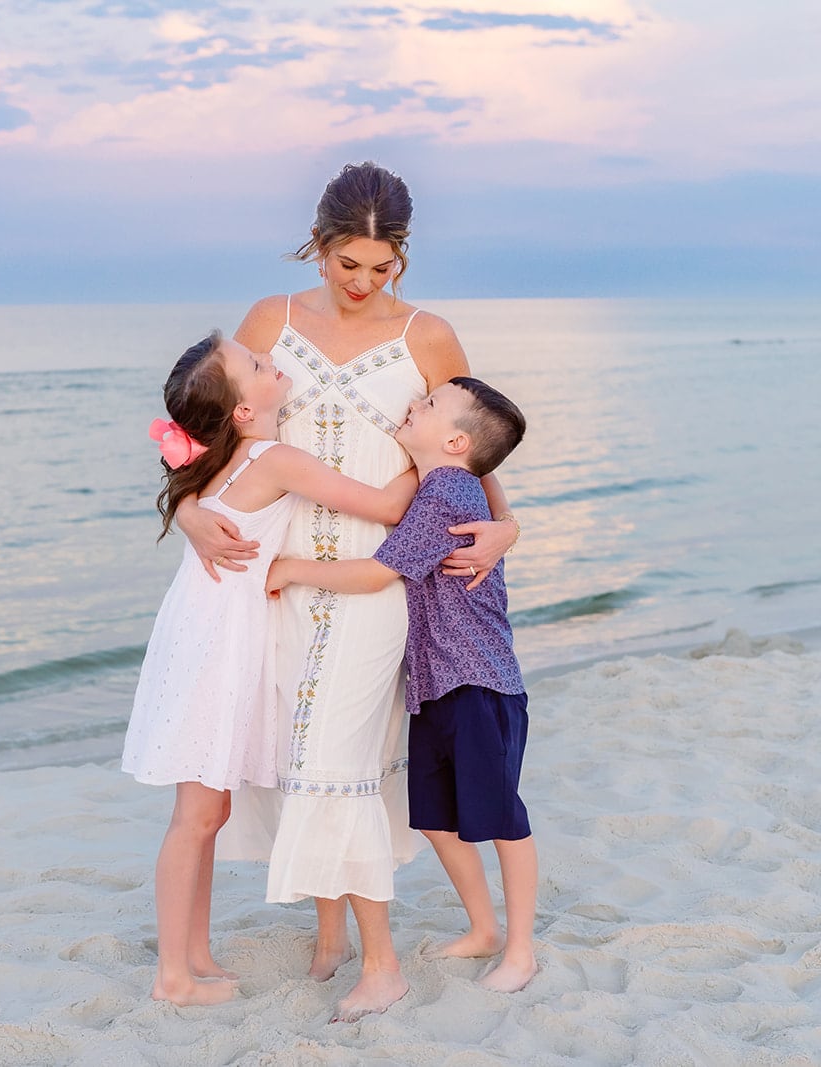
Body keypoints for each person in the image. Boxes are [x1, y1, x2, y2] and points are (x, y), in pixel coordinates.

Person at [177, 162, 520, 1021]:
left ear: (401, 254)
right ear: (320, 246)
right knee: (305, 758)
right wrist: (186, 511)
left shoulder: (429, 337)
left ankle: (382, 964)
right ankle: (331, 935)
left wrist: (508, 526)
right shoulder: (270, 321)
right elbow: (211, 437)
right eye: (349, 263)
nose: (366, 282)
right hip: (276, 578)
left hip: (377, 582)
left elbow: (473, 451)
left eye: (384, 264)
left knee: (340, 762)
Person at [120, 330, 417, 1007]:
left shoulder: (219, 462)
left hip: (207, 632)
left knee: (209, 810)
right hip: (216, 643)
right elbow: (385, 507)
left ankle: (194, 954)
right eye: (255, 365)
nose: (270, 361)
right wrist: (430, 462)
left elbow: (186, 489)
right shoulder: (274, 456)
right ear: (242, 413)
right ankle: (172, 975)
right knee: (195, 813)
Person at [265, 376, 538, 994]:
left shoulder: (446, 489)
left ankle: (520, 949)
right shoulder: (441, 485)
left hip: (478, 682)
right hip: (435, 686)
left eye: (429, 404)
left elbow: (376, 573)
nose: (414, 405)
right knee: (438, 819)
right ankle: (484, 930)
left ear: (456, 439)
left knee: (502, 820)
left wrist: (290, 569)